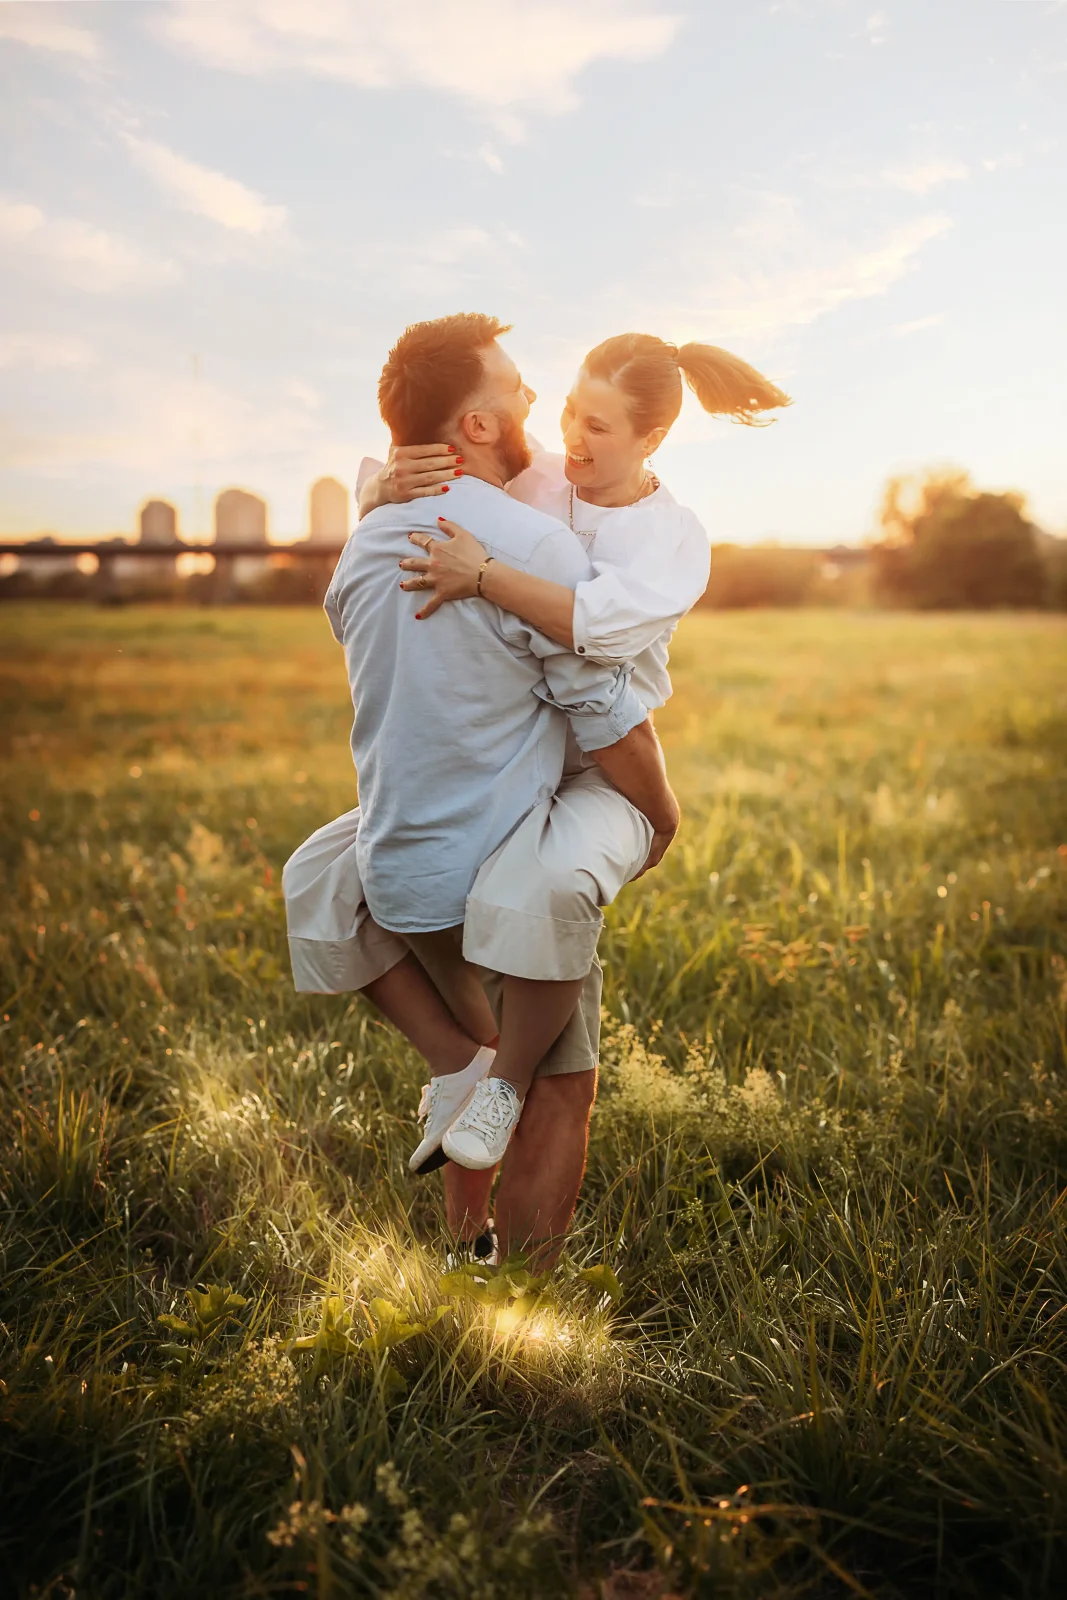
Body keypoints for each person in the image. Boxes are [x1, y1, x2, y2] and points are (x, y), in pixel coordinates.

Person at [283, 313, 680, 1266]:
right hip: (504, 847)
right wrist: (658, 816)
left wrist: (386, 488)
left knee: (479, 1066)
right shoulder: (529, 551)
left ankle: (469, 1254)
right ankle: (530, 1306)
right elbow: (602, 709)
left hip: (403, 871)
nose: (532, 401)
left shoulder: (366, 544)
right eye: (512, 389)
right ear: (469, 426)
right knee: (554, 1082)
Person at [359, 332, 789, 990]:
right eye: (567, 411)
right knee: (383, 884)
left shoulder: (668, 537)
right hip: (507, 743)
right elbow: (444, 460)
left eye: (596, 425)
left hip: (600, 754)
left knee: (542, 911)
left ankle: (528, 1076)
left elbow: (596, 631)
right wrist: (385, 487)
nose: (572, 437)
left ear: (652, 438)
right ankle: (479, 1070)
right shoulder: (538, 474)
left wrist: (485, 577)